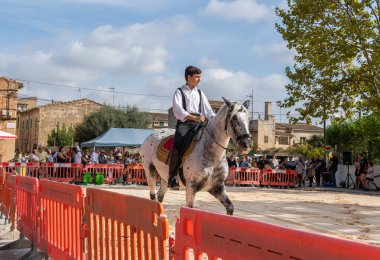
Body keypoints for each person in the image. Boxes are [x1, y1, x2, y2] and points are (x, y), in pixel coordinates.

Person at [168, 65, 215, 189]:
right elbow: (178, 110)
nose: (199, 80)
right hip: (185, 123)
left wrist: (215, 121)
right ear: (188, 77)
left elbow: (208, 111)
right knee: (177, 145)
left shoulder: (200, 93)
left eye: (200, 77)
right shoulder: (179, 91)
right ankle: (172, 177)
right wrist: (193, 118)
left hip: (200, 123)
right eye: (197, 77)